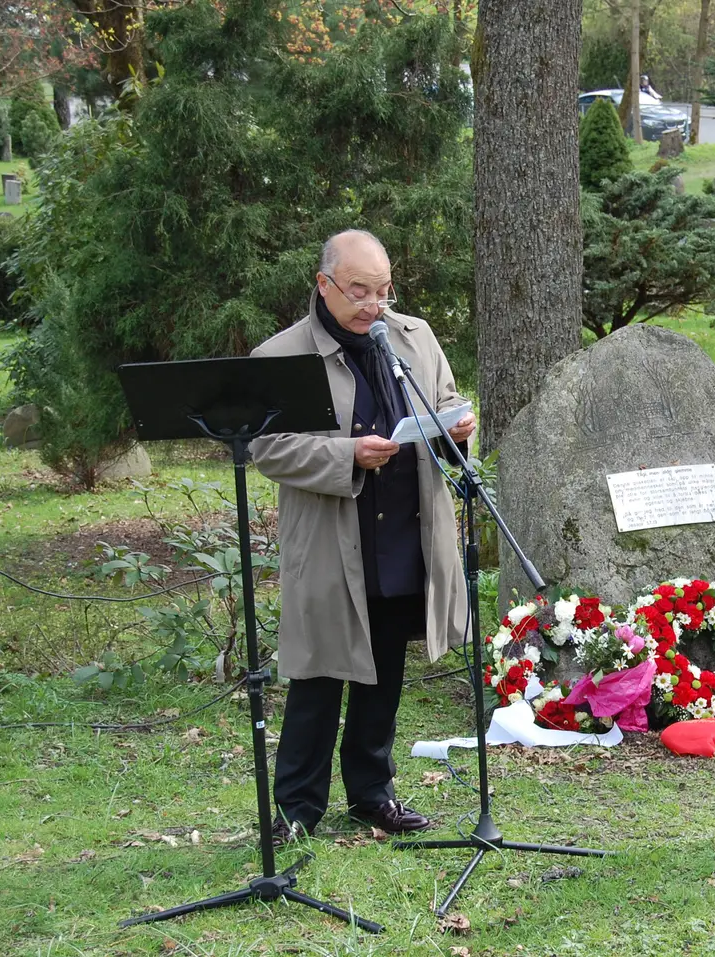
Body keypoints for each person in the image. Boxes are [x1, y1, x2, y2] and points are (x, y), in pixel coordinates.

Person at [249, 229, 473, 844]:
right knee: (318, 677)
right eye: (359, 291)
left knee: (383, 672)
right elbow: (268, 446)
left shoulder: (413, 336)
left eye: (383, 290)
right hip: (331, 538)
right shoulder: (282, 355)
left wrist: (458, 427)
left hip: (404, 528)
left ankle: (373, 795)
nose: (374, 305)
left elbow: (445, 400)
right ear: (324, 285)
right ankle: (297, 810)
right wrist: (348, 453)